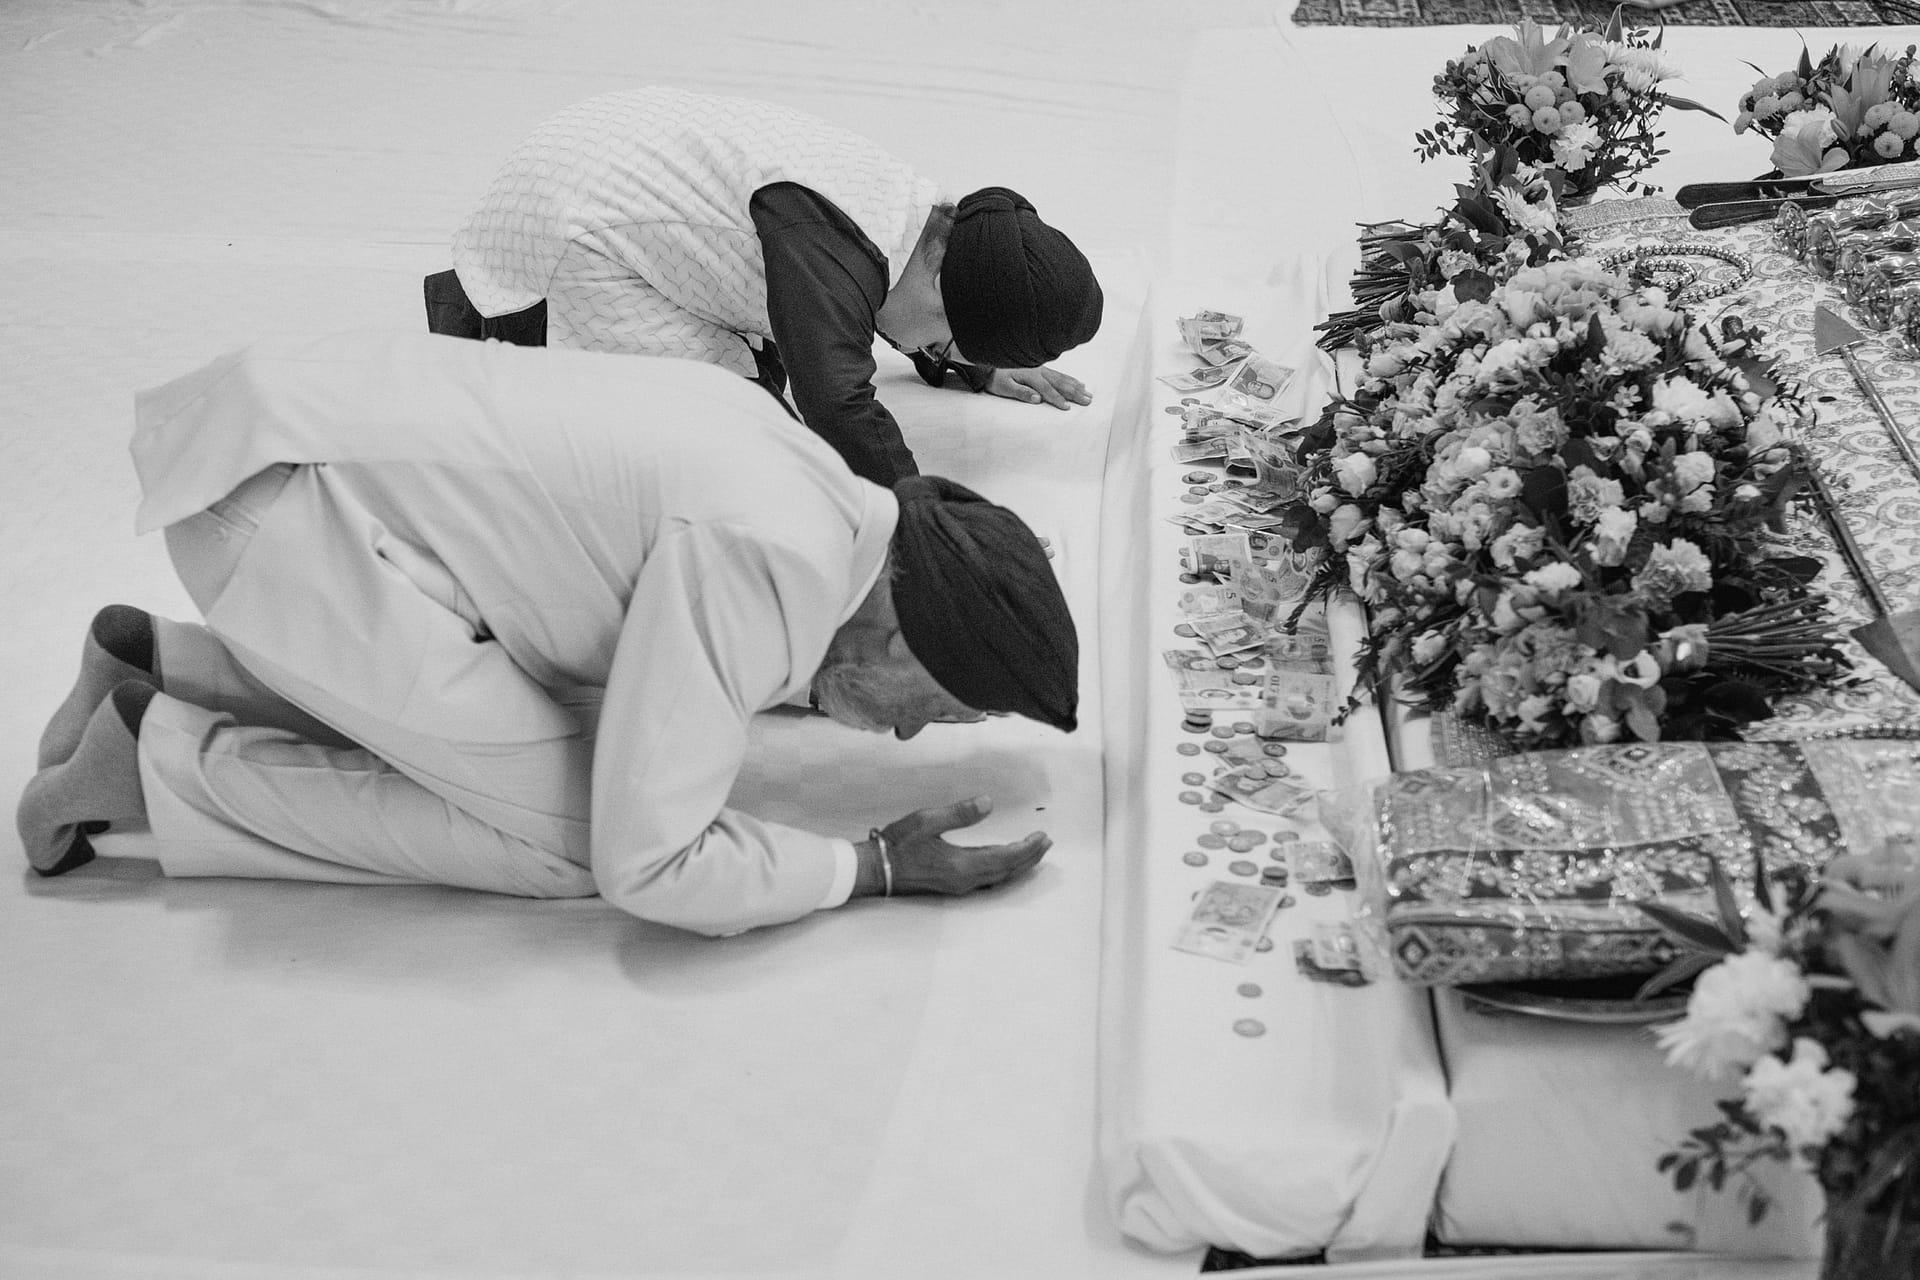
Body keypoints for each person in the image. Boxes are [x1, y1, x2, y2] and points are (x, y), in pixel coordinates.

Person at [18, 331, 1079, 937]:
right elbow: (648, 862)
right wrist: (867, 868)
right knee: (573, 834)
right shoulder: (777, 561)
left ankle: (161, 665)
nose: (898, 740)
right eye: (931, 716)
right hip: (282, 523)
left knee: (575, 738)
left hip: (283, 452)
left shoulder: (814, 487)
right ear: (905, 646)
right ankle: (147, 768)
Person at [427, 86, 1104, 487]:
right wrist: (935, 533)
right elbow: (841, 405)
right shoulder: (832, 247)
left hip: (600, 154)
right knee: (753, 463)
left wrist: (978, 364)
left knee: (766, 382)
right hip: (570, 233)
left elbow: (885, 303)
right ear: (938, 273)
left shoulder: (914, 217)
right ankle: (507, 349)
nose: (938, 352)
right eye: (947, 340)